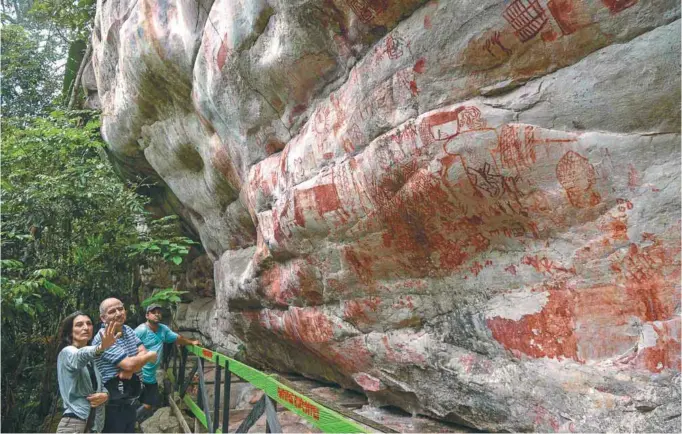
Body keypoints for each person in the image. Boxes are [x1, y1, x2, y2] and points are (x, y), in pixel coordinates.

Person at [92, 298, 158, 433]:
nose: (118, 313)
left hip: (129, 400)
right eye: (112, 311)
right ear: (103, 318)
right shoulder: (104, 337)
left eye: (120, 309)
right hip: (112, 404)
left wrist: (132, 367)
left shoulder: (127, 330)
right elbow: (130, 363)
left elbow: (142, 351)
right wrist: (149, 356)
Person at [135, 303, 200, 420]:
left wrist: (191, 342)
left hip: (150, 375)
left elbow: (177, 338)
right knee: (135, 401)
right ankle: (130, 424)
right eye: (153, 312)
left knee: (149, 403)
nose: (157, 314)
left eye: (159, 312)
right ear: (147, 315)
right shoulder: (141, 330)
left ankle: (133, 420)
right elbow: (130, 347)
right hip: (138, 374)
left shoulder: (163, 329)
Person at [56, 311, 118, 433]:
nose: (86, 327)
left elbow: (98, 388)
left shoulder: (92, 361)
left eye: (89, 324)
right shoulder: (67, 352)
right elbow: (79, 356)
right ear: (70, 332)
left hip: (92, 425)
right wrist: (100, 347)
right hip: (74, 423)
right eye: (79, 324)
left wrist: (106, 395)